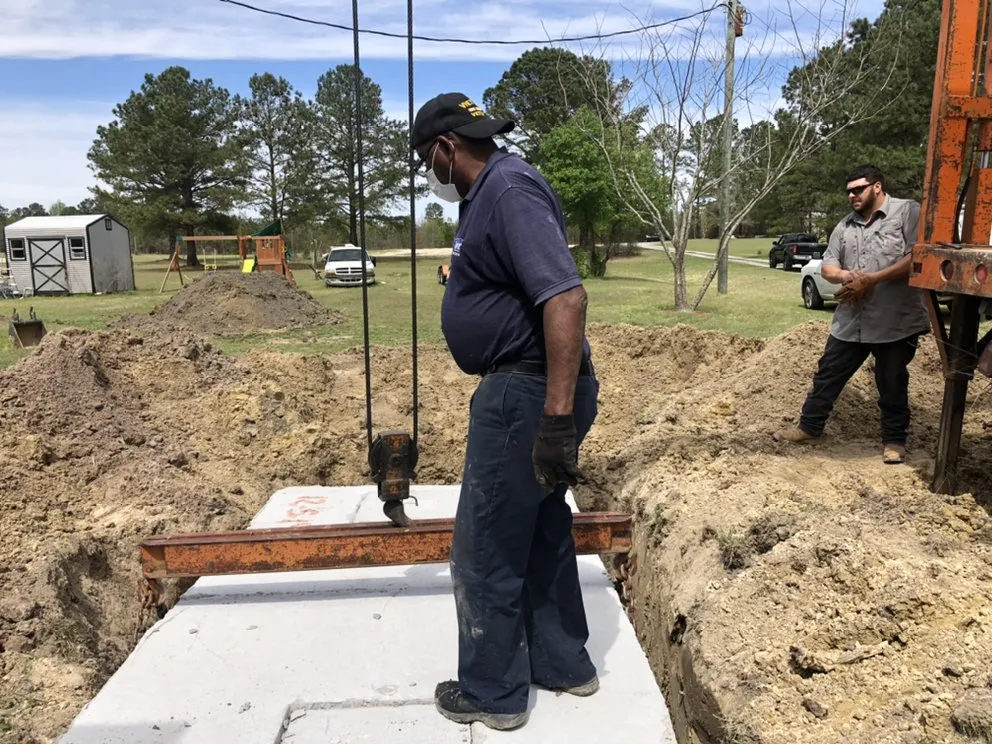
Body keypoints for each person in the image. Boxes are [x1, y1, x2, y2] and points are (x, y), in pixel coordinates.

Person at [411, 92, 600, 731]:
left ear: (444, 149)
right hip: (531, 389)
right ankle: (564, 663)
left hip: (526, 393)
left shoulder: (508, 190)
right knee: (542, 529)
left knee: (485, 542)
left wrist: (553, 418)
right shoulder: (491, 193)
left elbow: (566, 299)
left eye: (426, 162)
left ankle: (492, 692)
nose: (428, 175)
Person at [774, 164, 931, 463]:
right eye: (848, 191)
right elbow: (827, 266)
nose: (852, 195)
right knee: (828, 374)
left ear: (877, 187)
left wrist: (872, 279)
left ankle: (894, 441)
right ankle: (809, 427)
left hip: (895, 321)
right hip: (851, 321)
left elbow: (918, 257)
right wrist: (846, 276)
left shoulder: (907, 213)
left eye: (858, 189)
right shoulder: (844, 227)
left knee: (891, 380)